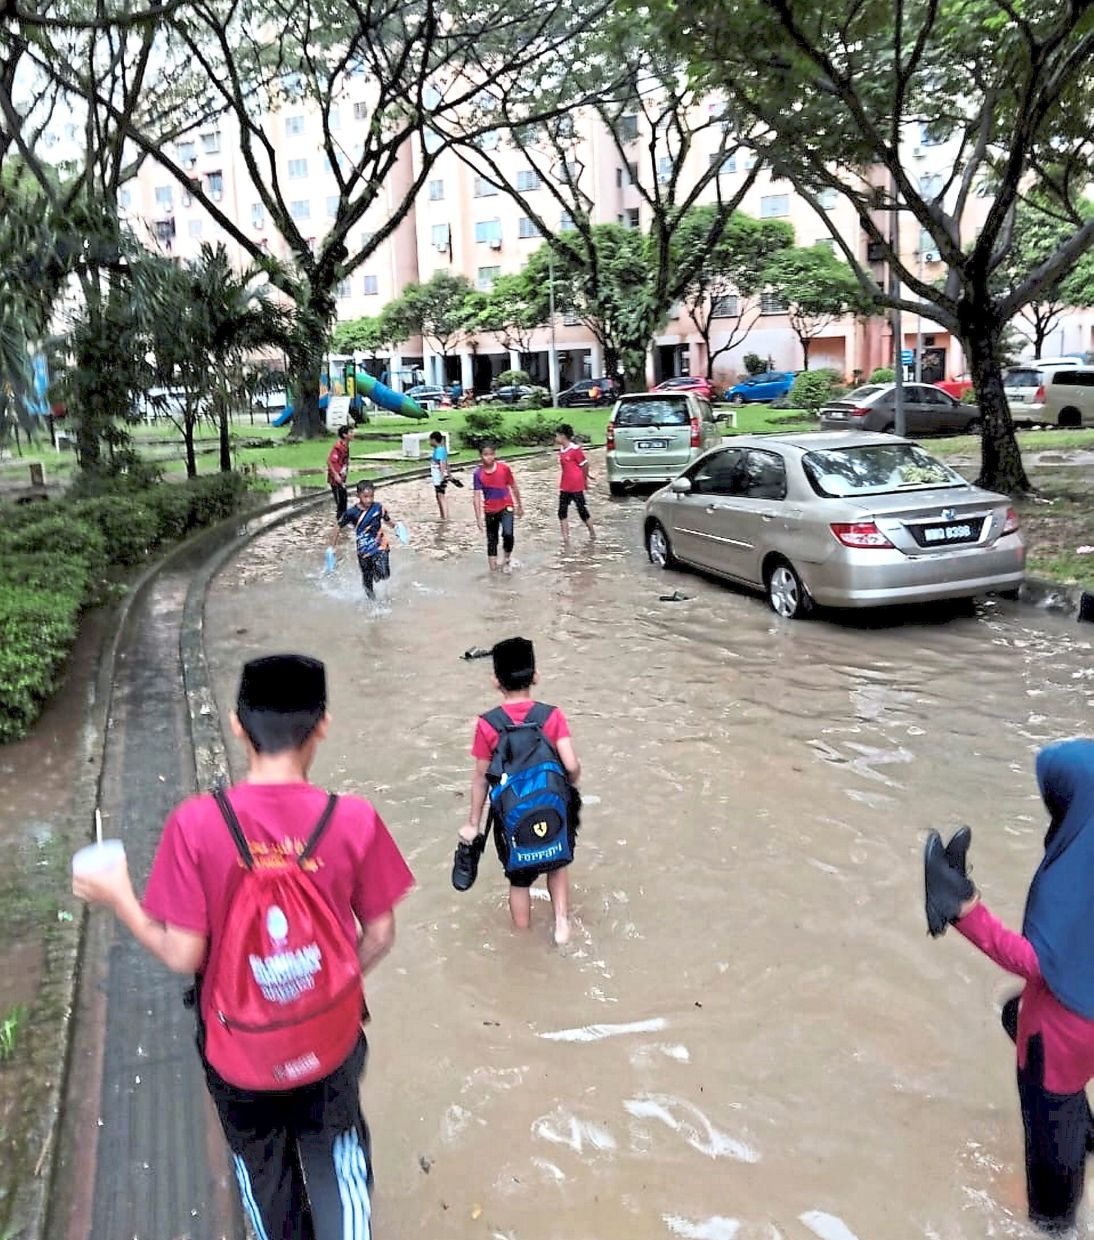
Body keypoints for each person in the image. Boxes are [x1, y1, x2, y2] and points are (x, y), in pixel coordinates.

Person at [72, 654, 414, 1240]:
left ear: (236, 724)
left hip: (238, 1056)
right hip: (328, 1044)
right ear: (323, 724)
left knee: (262, 1174)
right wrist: (325, 983)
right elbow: (380, 934)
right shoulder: (353, 819)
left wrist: (120, 896)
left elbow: (184, 956)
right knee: (338, 1162)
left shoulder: (195, 824)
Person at [925, 738, 1094, 1234]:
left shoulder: (1076, 877)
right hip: (1080, 1036)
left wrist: (964, 910)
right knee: (1015, 1015)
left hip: (1055, 1051)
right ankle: (1082, 1135)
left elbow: (1036, 962)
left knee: (1051, 1221)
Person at [452, 637, 581, 946]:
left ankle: (522, 936)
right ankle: (561, 923)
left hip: (511, 817)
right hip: (552, 810)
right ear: (535, 676)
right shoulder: (551, 716)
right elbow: (571, 764)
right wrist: (569, 783)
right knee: (558, 864)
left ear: (496, 681)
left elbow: (481, 778)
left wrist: (473, 823)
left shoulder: (488, 724)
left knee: (518, 879)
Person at [334, 479, 399, 600]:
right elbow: (338, 527)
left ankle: (385, 597)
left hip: (380, 546)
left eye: (371, 496)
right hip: (363, 551)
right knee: (367, 580)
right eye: (365, 497)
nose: (368, 500)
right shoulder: (351, 513)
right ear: (358, 495)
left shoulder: (379, 508)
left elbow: (387, 520)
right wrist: (332, 547)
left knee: (384, 574)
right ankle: (372, 603)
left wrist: (397, 528)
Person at [472, 443, 523, 572]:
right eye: (485, 454)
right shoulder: (478, 474)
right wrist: (478, 518)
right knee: (492, 539)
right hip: (490, 509)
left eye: (491, 454)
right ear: (480, 456)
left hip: (506, 505)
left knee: (508, 533)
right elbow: (477, 496)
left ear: (495, 455)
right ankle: (493, 571)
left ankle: (506, 558)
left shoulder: (504, 469)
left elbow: (514, 486)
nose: (488, 457)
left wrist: (520, 505)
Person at [556, 423, 595, 545]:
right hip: (565, 485)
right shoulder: (562, 450)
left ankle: (592, 532)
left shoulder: (575, 450)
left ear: (563, 436)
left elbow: (585, 464)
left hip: (576, 485)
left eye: (557, 436)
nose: (555, 438)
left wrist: (585, 479)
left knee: (581, 510)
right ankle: (566, 538)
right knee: (562, 511)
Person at [326, 424, 354, 519]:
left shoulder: (346, 446)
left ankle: (343, 521)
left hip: (341, 477)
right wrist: (336, 475)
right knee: (340, 502)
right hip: (336, 479)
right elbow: (329, 461)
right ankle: (339, 524)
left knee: (344, 500)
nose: (353, 434)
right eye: (350, 432)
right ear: (344, 435)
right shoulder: (338, 447)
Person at [429, 430, 450, 520]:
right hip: (438, 477)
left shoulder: (439, 450)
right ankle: (443, 516)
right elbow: (446, 463)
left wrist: (442, 476)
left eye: (430, 440)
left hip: (439, 477)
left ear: (434, 440)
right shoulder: (440, 449)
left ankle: (445, 517)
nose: (429, 442)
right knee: (438, 495)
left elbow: (442, 463)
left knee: (441, 496)